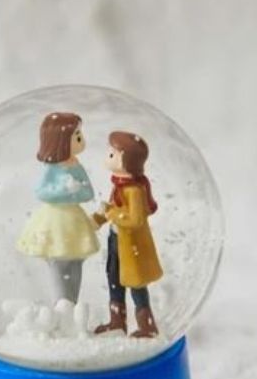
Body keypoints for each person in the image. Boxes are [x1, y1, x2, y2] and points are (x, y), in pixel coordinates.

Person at [16, 112, 98, 304]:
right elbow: (42, 192)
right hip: (54, 221)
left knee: (76, 261)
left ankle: (72, 302)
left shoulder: (76, 165)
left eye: (80, 135)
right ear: (61, 141)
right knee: (58, 262)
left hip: (74, 222)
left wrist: (76, 191)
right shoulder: (52, 168)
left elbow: (88, 193)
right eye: (77, 136)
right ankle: (61, 303)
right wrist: (64, 190)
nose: (81, 140)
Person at [92, 131, 162, 337]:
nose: (107, 157)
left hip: (131, 246)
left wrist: (112, 213)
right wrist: (97, 219)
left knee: (136, 284)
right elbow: (113, 208)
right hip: (116, 240)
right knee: (113, 278)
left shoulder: (134, 190)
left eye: (112, 154)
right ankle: (117, 322)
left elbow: (135, 219)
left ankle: (147, 326)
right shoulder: (118, 185)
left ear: (127, 161)